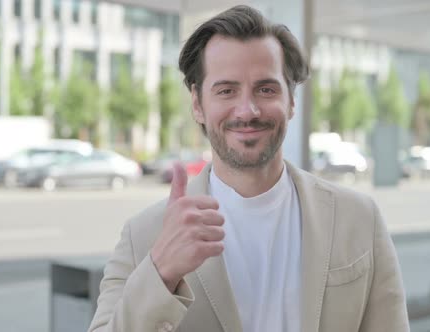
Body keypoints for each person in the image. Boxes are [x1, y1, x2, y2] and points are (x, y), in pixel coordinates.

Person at [88, 5, 409, 332]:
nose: (248, 109)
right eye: (226, 90)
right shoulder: (144, 237)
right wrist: (161, 272)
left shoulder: (359, 219)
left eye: (266, 89)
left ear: (292, 100)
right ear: (198, 104)